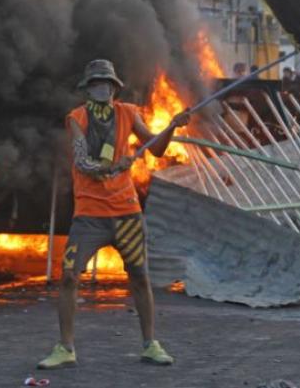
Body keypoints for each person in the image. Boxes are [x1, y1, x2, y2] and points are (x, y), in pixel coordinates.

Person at [37, 59, 190, 370]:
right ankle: (66, 347)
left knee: (140, 277)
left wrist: (172, 127)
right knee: (68, 276)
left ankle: (150, 344)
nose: (102, 87)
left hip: (127, 214)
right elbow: (81, 161)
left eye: (106, 82)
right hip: (88, 217)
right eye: (96, 83)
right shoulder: (77, 118)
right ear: (87, 88)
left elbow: (156, 149)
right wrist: (110, 167)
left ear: (115, 87)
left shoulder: (128, 113)